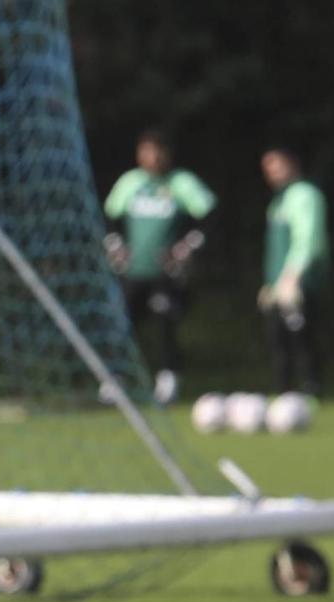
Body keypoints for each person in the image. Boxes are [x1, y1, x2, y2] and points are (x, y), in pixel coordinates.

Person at [102, 128, 215, 405]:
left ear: (167, 154)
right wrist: (117, 246)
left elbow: (210, 216)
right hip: (134, 271)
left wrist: (186, 248)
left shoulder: (181, 183)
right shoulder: (131, 182)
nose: (151, 157)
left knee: (166, 322)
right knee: (121, 322)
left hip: (166, 273)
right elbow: (110, 218)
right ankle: (115, 378)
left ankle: (168, 380)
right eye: (145, 150)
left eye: (156, 151)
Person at [258, 145, 329, 399]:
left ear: (293, 163)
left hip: (299, 282)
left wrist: (292, 277)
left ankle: (312, 391)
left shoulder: (304, 194)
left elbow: (308, 239)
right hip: (279, 284)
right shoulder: (278, 201)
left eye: (277, 165)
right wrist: (270, 283)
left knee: (302, 338)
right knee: (278, 341)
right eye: (268, 168)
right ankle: (283, 393)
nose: (272, 172)